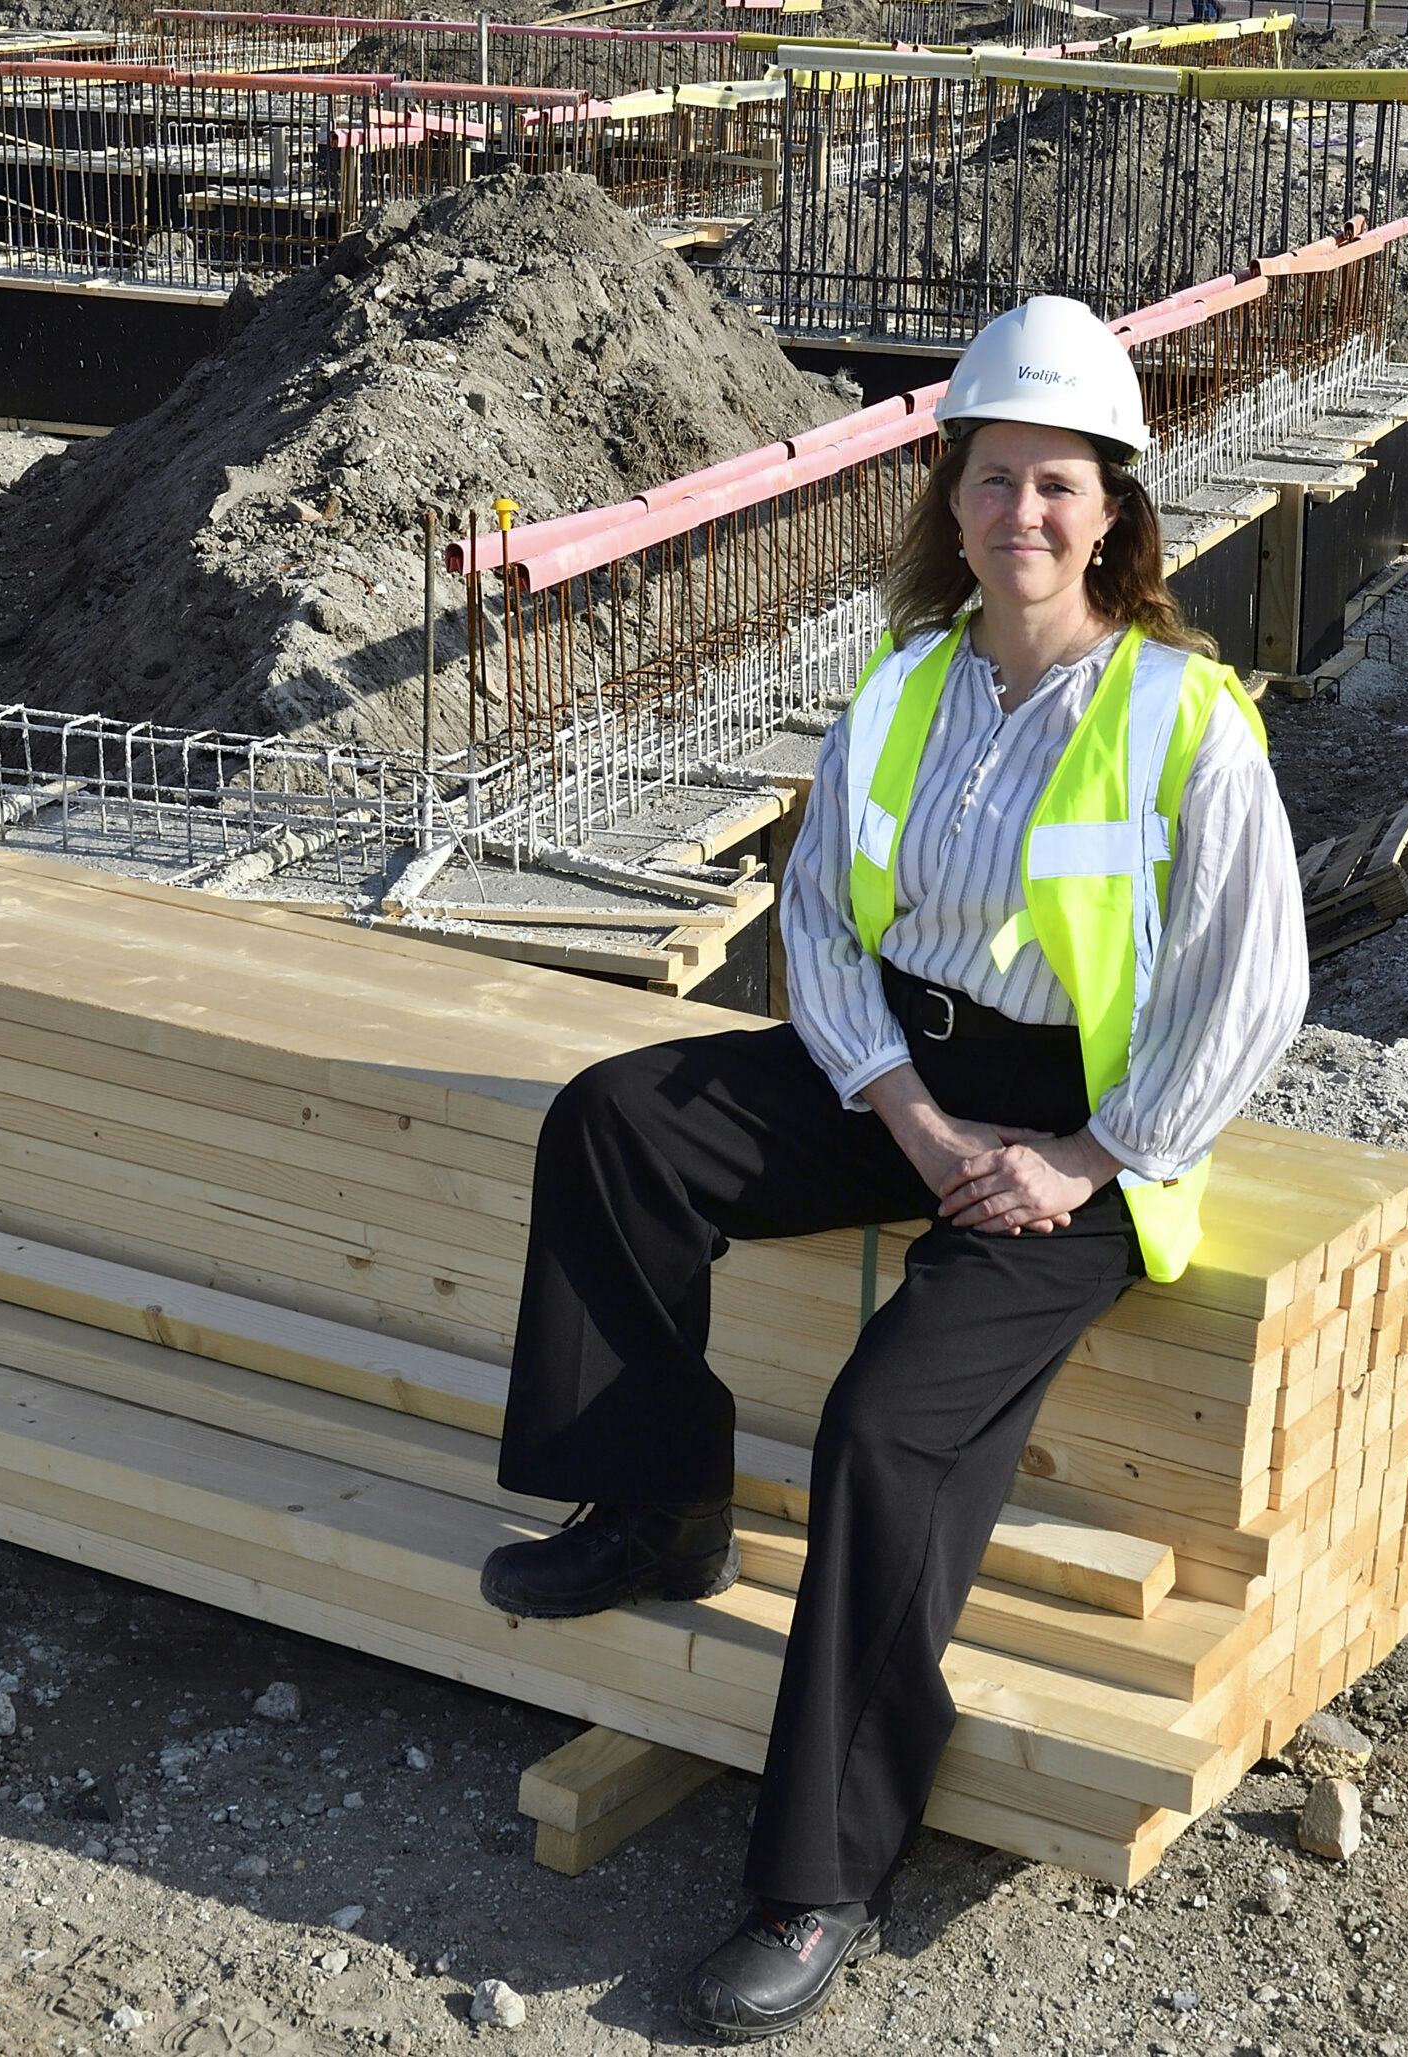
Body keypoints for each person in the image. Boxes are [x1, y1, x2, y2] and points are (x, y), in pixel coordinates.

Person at [477, 295, 1308, 2041]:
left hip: (1084, 1119)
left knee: (884, 1428)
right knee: (618, 1121)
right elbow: (823, 920)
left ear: (1115, 512)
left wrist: (1082, 1157)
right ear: (953, 499)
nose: (1026, 513)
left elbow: (1253, 986)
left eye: (1062, 483)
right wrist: (908, 1117)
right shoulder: (909, 682)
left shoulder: (1185, 718)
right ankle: (655, 1500)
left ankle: (819, 1872)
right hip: (900, 1072)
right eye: (997, 477)